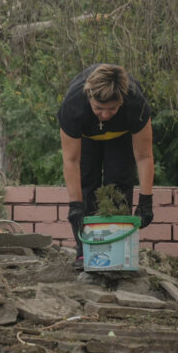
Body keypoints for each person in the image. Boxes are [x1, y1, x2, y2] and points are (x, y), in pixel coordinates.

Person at [57, 63, 154, 269]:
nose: (105, 115)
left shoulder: (135, 103)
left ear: (122, 100)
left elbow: (144, 156)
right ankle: (84, 251)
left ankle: (117, 251)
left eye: (112, 109)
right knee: (87, 182)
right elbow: (70, 160)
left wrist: (146, 200)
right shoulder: (73, 106)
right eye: (98, 108)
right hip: (86, 137)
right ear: (89, 97)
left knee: (118, 185)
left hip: (121, 137)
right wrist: (75, 206)